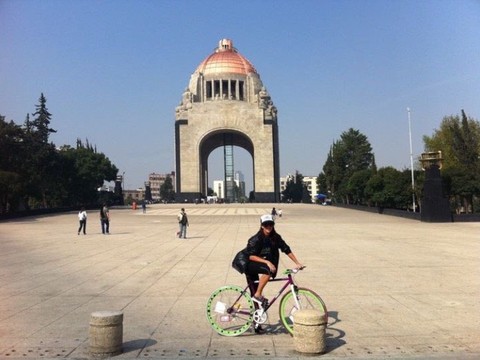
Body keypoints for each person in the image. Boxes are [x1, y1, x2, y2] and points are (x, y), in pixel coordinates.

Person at [232, 214, 303, 333]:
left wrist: (297, 263)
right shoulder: (256, 239)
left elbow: (286, 249)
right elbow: (251, 256)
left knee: (256, 296)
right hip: (246, 262)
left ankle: (257, 323)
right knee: (265, 276)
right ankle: (258, 295)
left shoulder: (276, 237)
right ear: (261, 226)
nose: (268, 227)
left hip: (257, 263)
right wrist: (267, 262)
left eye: (270, 224)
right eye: (266, 225)